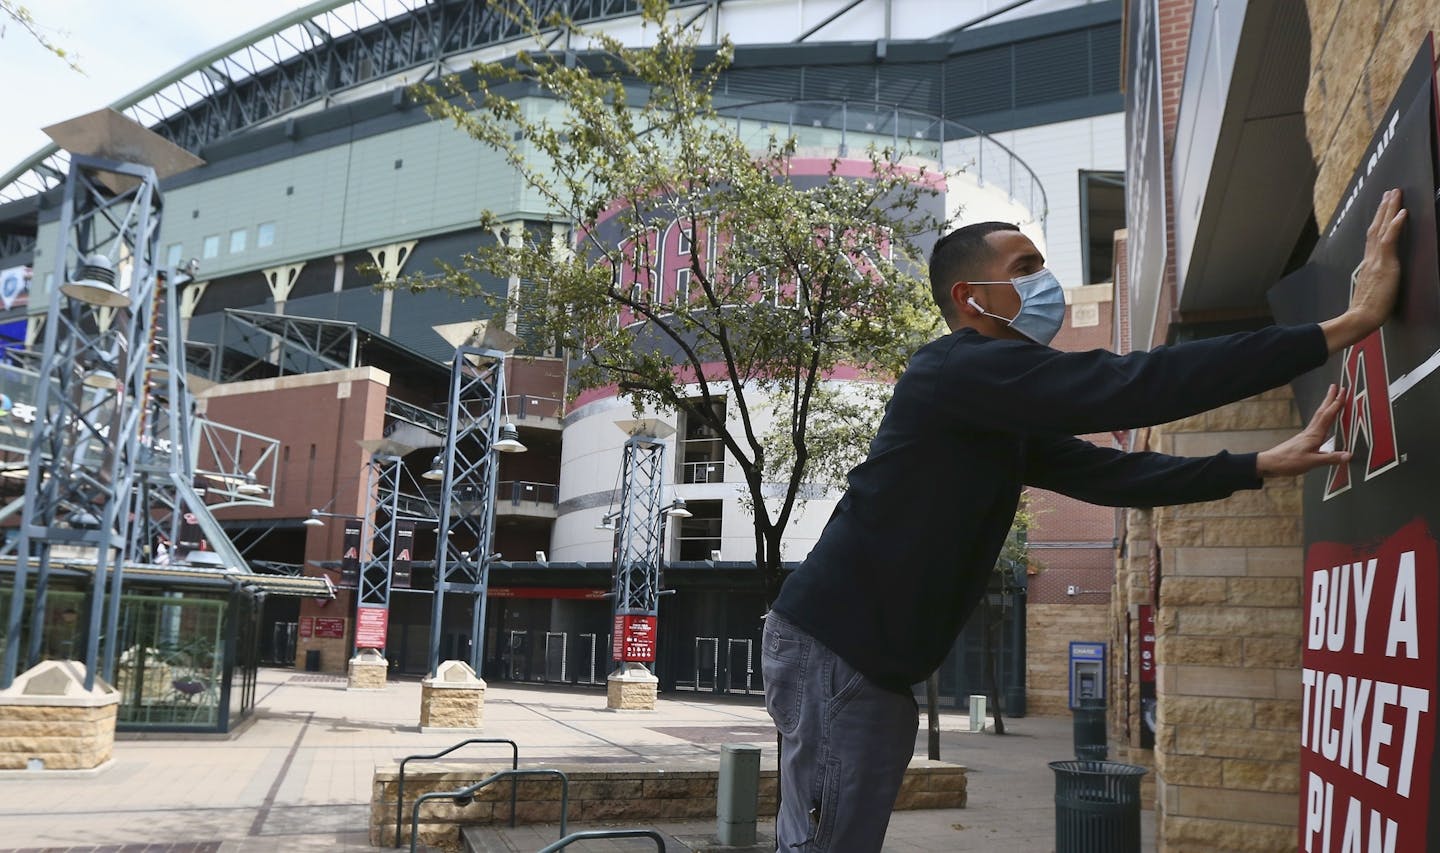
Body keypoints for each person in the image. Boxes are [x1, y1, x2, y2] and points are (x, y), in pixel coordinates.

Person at [763, 190, 1409, 851]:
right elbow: (1133, 382)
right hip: (837, 651)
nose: (1046, 283)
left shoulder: (995, 411)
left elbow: (1118, 475)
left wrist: (1259, 463)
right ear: (968, 295)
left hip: (852, 656)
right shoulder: (954, 371)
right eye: (1024, 266)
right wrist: (1346, 324)